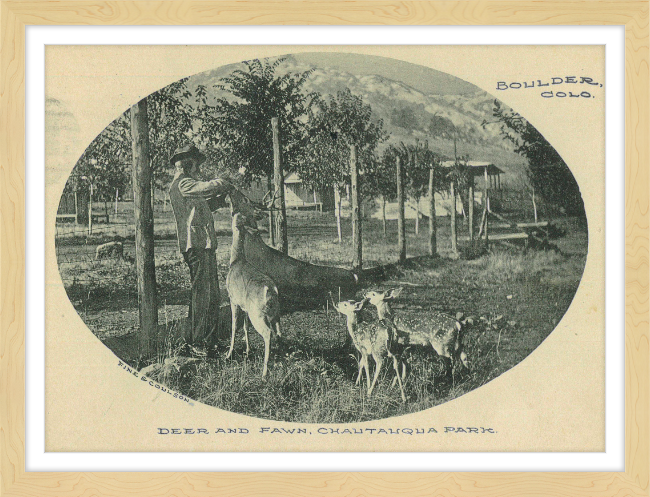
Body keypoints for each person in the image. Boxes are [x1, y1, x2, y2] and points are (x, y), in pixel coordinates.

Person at [168, 144, 234, 353]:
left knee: (211, 294)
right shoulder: (183, 183)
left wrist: (219, 201)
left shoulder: (188, 186)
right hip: (195, 245)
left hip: (202, 245)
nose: (199, 169)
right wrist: (224, 183)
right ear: (188, 164)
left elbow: (200, 207)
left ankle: (209, 340)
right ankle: (198, 342)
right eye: (197, 164)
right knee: (202, 295)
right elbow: (206, 188)